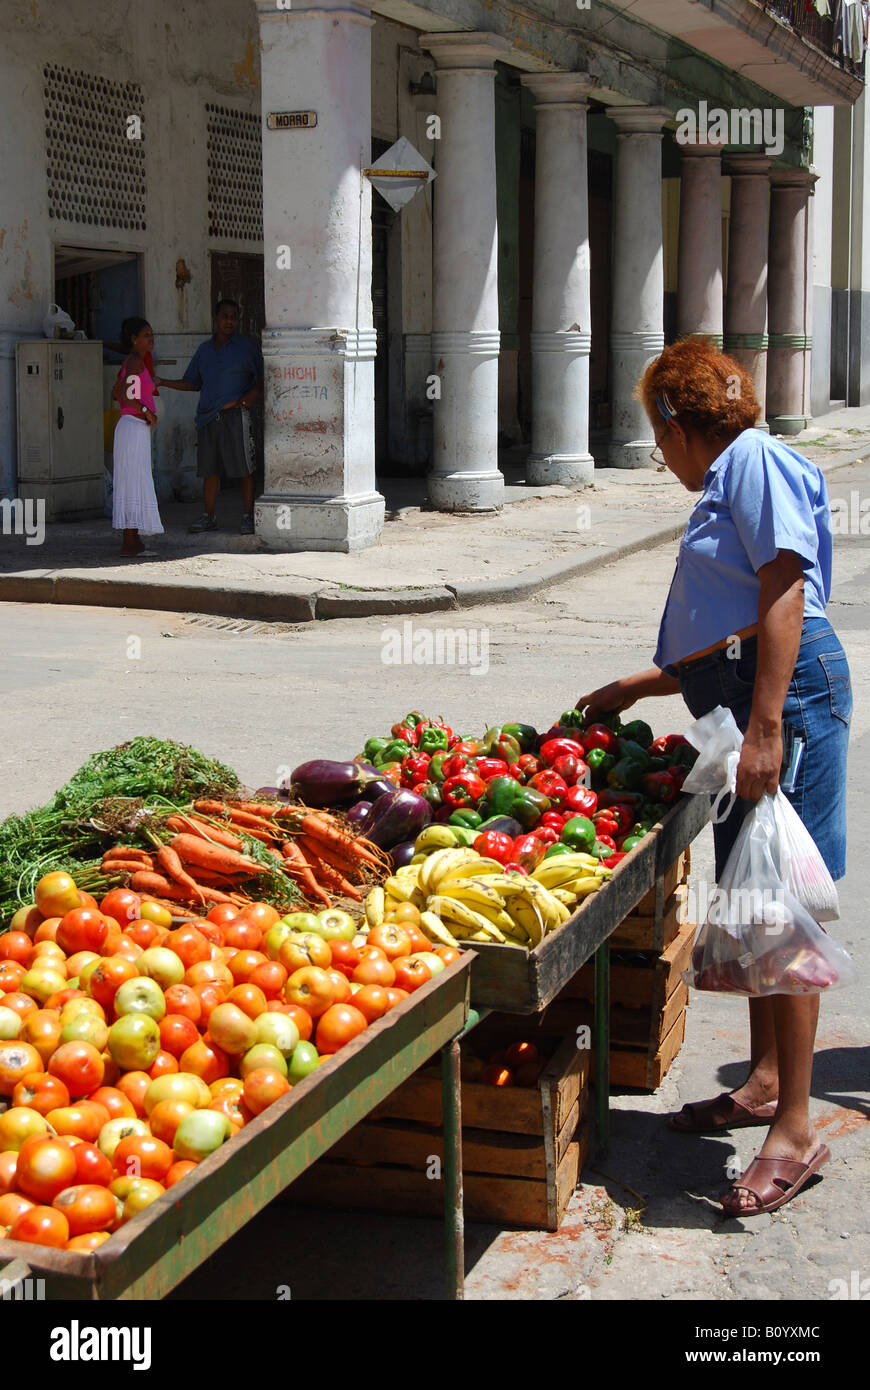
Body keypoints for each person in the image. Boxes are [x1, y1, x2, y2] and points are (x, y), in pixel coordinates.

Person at [577, 337, 851, 1218]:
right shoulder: (731, 474)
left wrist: (768, 727)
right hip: (738, 697)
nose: (658, 456)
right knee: (749, 894)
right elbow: (728, 617)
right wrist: (644, 683)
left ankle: (796, 1132)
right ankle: (767, 1080)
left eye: (655, 435)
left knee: (781, 909)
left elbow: (781, 590)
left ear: (675, 422)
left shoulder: (751, 461)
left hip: (781, 700)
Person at [156, 299, 263, 534]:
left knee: (245, 468)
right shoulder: (204, 350)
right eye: (225, 316)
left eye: (234, 316)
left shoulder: (247, 347)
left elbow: (264, 377)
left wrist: (253, 393)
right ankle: (209, 516)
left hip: (236, 415)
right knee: (209, 470)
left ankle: (247, 516)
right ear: (215, 318)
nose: (229, 321)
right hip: (207, 418)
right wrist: (163, 382)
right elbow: (193, 383)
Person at [110, 318, 163, 558]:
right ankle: (129, 543)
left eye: (152, 334)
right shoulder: (134, 361)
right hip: (133, 426)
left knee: (132, 481)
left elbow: (116, 391)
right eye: (146, 334)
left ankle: (133, 540)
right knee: (133, 481)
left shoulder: (132, 362)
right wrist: (147, 412)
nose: (151, 339)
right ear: (134, 339)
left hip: (131, 428)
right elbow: (123, 394)